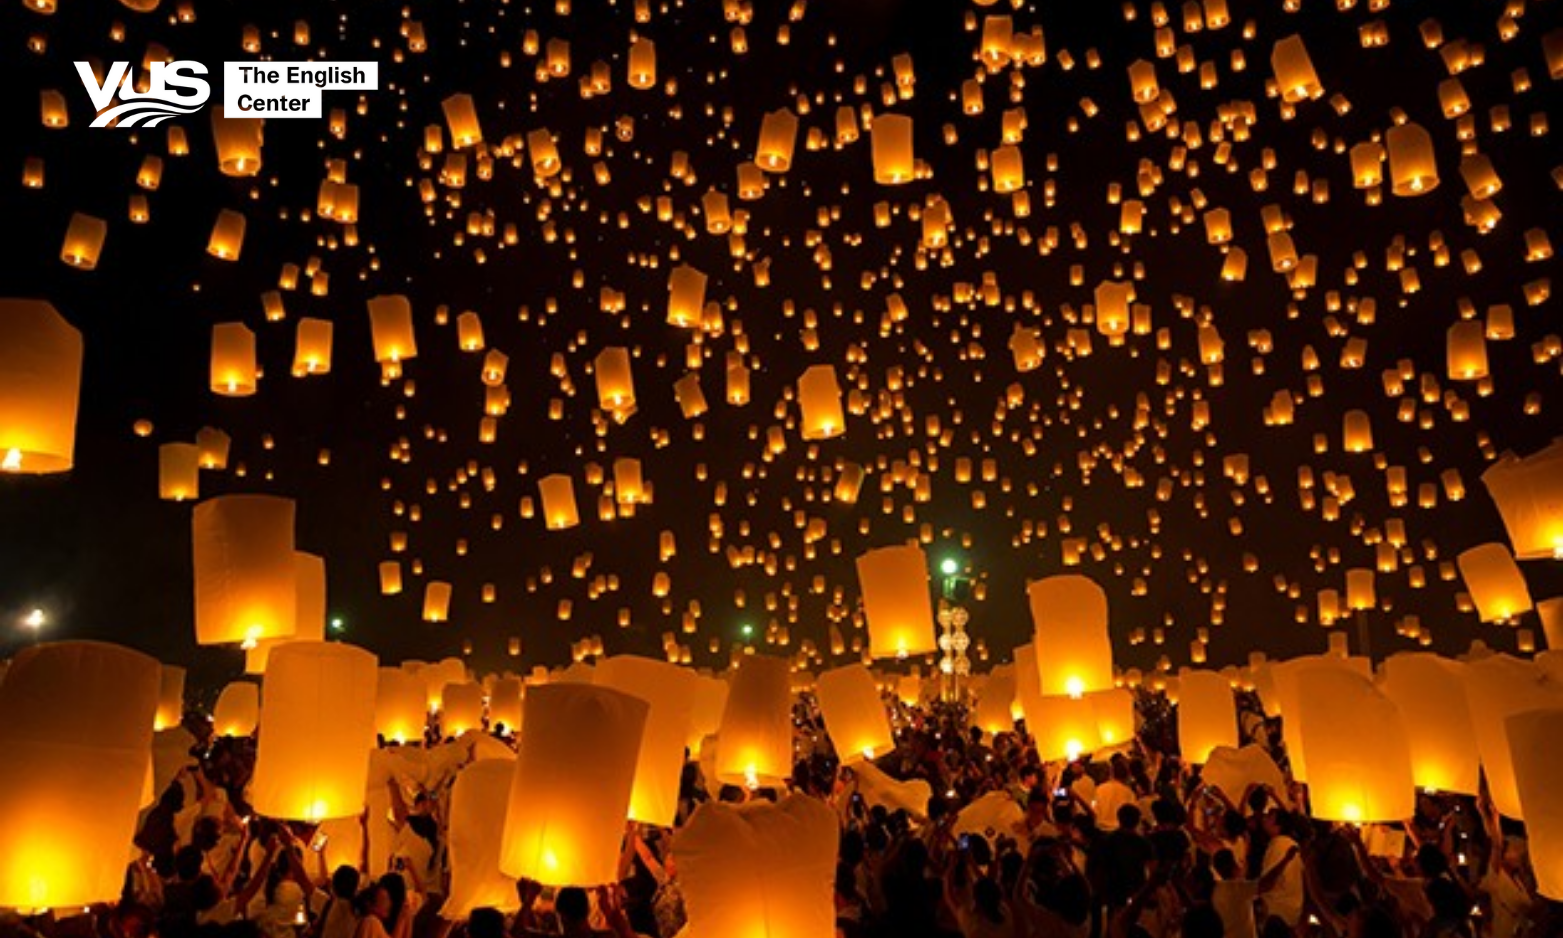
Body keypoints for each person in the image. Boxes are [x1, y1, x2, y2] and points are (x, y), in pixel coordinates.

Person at [1255, 812, 1302, 930]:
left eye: (1270, 817)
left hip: (1277, 910)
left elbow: (1268, 881)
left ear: (1278, 826)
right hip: (1291, 910)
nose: (1264, 818)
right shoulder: (1290, 844)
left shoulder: (1279, 845)